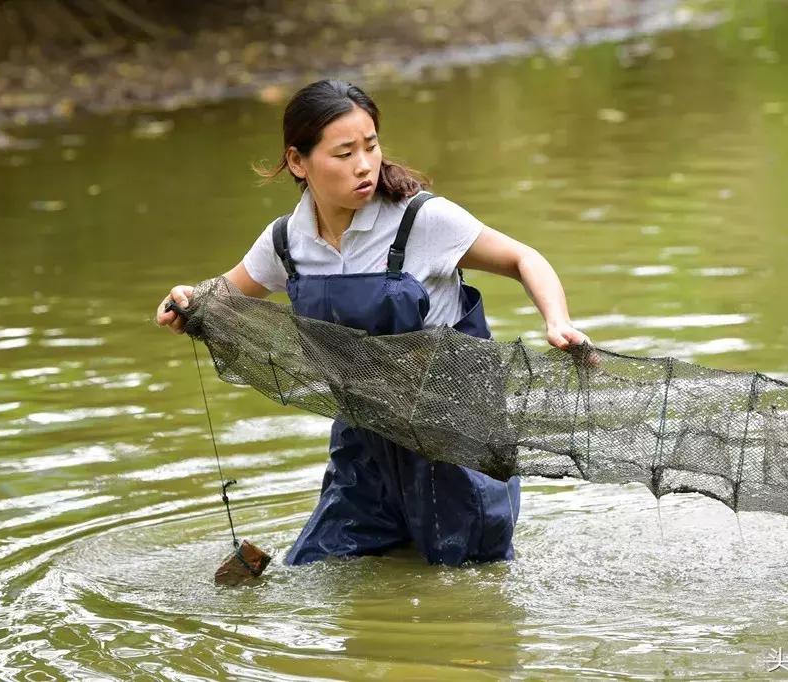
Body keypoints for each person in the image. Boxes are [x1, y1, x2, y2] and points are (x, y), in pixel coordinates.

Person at [155, 79, 590, 566]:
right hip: (363, 444)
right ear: (299, 162)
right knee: (316, 568)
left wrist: (558, 322)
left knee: (466, 583)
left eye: (371, 146)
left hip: (453, 441)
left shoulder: (421, 220)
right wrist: (186, 304)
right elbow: (222, 295)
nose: (364, 165)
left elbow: (522, 258)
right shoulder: (286, 242)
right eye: (344, 153)